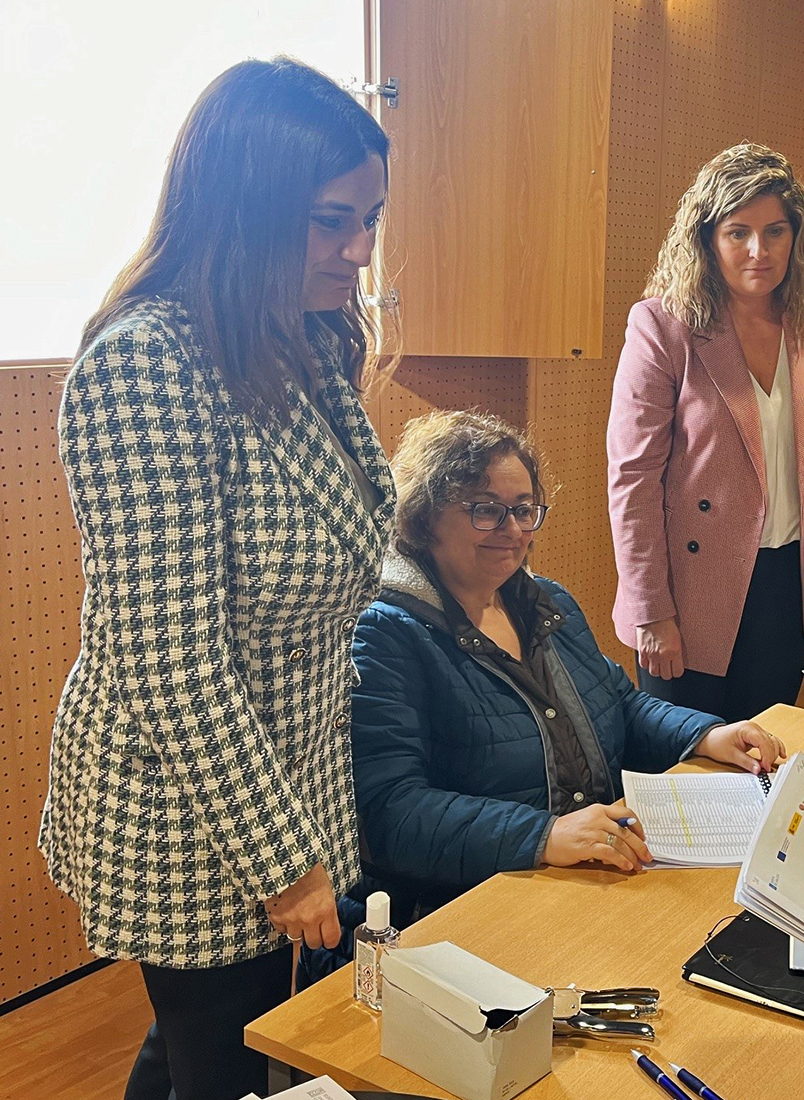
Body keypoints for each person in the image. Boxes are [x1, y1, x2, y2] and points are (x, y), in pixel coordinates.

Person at [40, 59, 394, 1100]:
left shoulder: (307, 334)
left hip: (292, 777)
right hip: (190, 811)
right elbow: (171, 662)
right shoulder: (143, 363)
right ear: (245, 207)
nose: (360, 250)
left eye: (370, 218)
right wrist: (286, 859)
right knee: (228, 1061)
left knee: (213, 1051)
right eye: (334, 220)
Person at [350, 410, 786, 917]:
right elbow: (391, 814)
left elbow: (620, 705)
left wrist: (708, 735)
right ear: (424, 519)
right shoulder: (385, 635)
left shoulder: (546, 601)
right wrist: (545, 834)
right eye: (486, 510)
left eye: (524, 509)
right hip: (482, 904)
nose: (512, 530)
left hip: (591, 876)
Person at [607, 142, 804, 721]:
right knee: (684, 771)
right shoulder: (662, 325)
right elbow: (633, 479)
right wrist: (651, 609)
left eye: (775, 231)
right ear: (707, 238)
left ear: (796, 236)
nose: (759, 251)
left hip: (790, 579)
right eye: (738, 232)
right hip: (689, 588)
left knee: (762, 756)